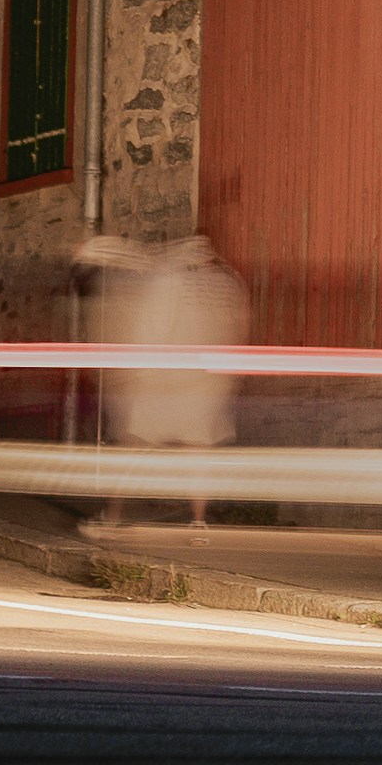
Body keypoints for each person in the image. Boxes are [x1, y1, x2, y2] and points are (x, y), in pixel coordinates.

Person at [72, 230, 244, 539]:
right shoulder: (226, 283)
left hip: (163, 380)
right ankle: (199, 523)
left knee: (130, 447)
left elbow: (153, 328)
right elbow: (236, 331)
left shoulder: (169, 279)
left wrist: (132, 372)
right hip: (205, 383)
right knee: (199, 454)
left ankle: (113, 517)